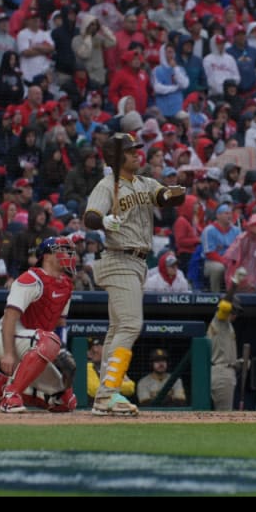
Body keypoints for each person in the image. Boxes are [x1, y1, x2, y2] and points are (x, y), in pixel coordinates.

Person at [83, 133, 186, 416]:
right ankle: (108, 394)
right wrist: (103, 220)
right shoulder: (107, 185)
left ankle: (105, 395)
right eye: (130, 152)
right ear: (117, 157)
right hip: (119, 258)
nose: (137, 155)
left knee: (118, 329)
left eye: (137, 151)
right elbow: (89, 216)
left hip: (138, 262)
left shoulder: (144, 182)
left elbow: (165, 197)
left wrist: (174, 191)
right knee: (130, 324)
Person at [0, 236, 79, 413]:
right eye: (62, 251)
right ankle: (10, 395)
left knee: (65, 401)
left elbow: (60, 323)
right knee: (49, 340)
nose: (68, 255)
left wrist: (62, 351)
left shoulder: (66, 285)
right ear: (47, 256)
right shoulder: (30, 278)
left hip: (39, 345)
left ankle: (0, 387)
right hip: (9, 338)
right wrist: (8, 353)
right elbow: (9, 317)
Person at [207, 270, 246, 410]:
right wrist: (234, 285)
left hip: (223, 371)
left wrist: (239, 363)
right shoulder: (220, 321)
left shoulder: (227, 326)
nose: (235, 314)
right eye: (234, 311)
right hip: (222, 373)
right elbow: (225, 305)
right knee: (224, 415)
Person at [85, 337, 135, 406]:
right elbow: (95, 390)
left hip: (113, 408)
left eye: (98, 346)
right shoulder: (87, 366)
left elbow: (130, 387)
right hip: (91, 410)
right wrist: (115, 387)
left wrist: (107, 388)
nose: (95, 350)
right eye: (91, 348)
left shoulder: (112, 365)